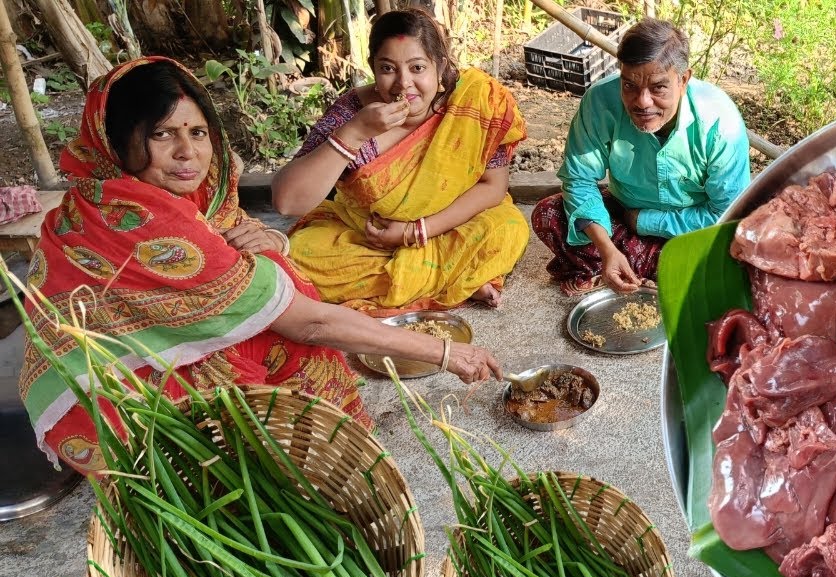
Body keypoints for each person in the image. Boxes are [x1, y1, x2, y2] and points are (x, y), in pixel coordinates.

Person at [19, 57, 501, 477]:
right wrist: (445, 353)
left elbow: (250, 236)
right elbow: (308, 321)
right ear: (116, 142)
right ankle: (229, 468)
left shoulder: (146, 195)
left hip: (143, 353)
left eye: (197, 133)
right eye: (162, 134)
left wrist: (271, 242)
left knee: (281, 281)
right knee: (290, 328)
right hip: (116, 404)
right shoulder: (139, 218)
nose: (188, 153)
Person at [274, 9, 528, 314]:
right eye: (388, 68)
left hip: (448, 224)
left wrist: (416, 232)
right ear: (372, 68)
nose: (403, 84)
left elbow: (493, 187)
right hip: (369, 236)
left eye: (417, 67)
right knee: (302, 256)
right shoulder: (353, 113)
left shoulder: (477, 101)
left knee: (507, 227)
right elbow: (286, 202)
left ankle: (437, 276)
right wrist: (354, 134)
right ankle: (457, 277)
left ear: (440, 65)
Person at [532, 18, 751, 296]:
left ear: (683, 80)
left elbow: (727, 215)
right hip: (623, 217)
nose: (642, 102)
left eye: (658, 87)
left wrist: (645, 221)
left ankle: (626, 268)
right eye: (629, 86)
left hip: (687, 230)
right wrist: (607, 249)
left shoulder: (720, 121)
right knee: (549, 215)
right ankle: (632, 266)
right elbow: (579, 179)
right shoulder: (600, 102)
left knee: (734, 257)